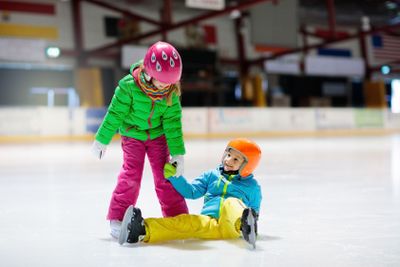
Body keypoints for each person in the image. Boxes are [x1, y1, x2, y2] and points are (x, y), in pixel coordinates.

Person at [91, 41, 189, 239]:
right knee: (131, 175)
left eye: (170, 82)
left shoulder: (170, 93)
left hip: (157, 137)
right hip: (132, 135)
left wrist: (178, 153)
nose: (165, 86)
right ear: (149, 72)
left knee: (165, 177)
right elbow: (114, 114)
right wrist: (102, 140)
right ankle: (118, 218)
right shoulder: (128, 86)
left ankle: (177, 217)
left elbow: (173, 124)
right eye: (162, 81)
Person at [118, 138, 262, 249]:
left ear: (247, 165)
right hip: (209, 222)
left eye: (236, 159)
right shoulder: (212, 175)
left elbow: (254, 211)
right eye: (228, 154)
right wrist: (175, 177)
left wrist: (251, 221)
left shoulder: (252, 187)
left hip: (232, 226)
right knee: (186, 222)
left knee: (231, 203)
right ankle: (142, 229)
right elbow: (191, 192)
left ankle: (245, 226)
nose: (228, 160)